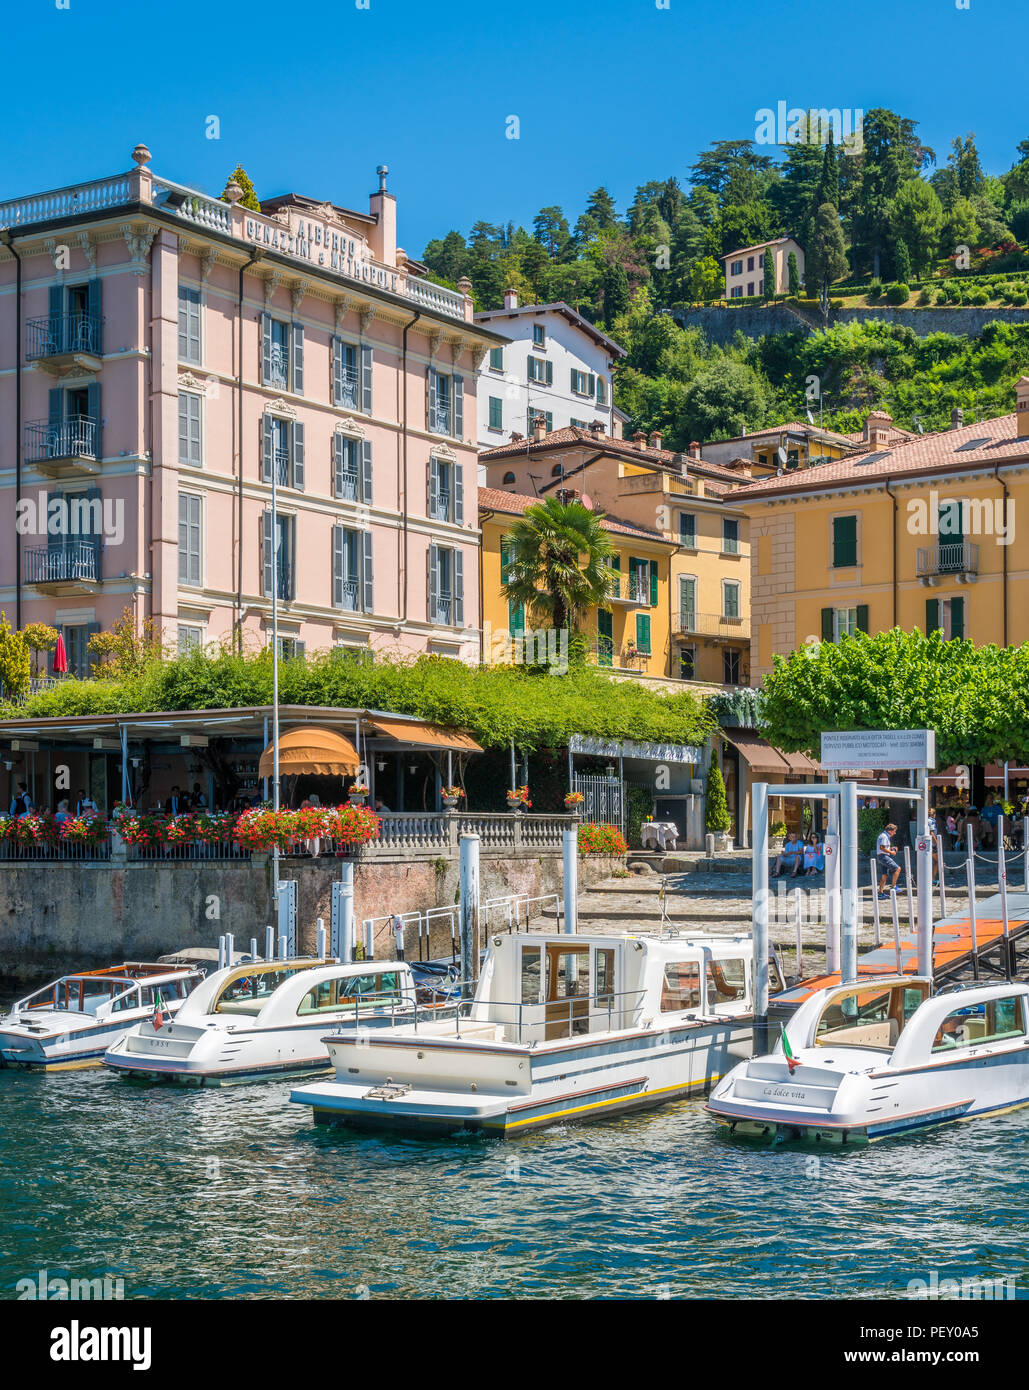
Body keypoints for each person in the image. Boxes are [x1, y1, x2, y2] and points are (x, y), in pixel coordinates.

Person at [877, 822, 902, 897]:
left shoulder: (884, 836)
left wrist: (892, 848)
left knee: (884, 875)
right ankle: (893, 886)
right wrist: (892, 852)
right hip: (883, 856)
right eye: (894, 831)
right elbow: (882, 848)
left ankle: (880, 893)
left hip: (881, 856)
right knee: (897, 869)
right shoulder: (884, 836)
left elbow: (883, 847)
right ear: (890, 831)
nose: (895, 833)